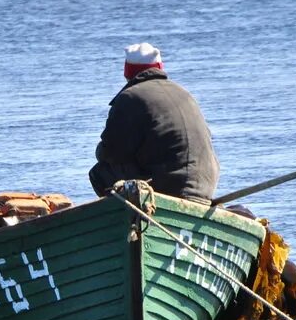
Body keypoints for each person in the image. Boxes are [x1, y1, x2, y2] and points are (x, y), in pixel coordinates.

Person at [89, 42, 220, 204]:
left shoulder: (129, 98)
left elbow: (110, 152)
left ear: (127, 71)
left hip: (170, 189)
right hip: (204, 188)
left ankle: (130, 221)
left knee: (101, 171)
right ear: (160, 66)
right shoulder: (184, 93)